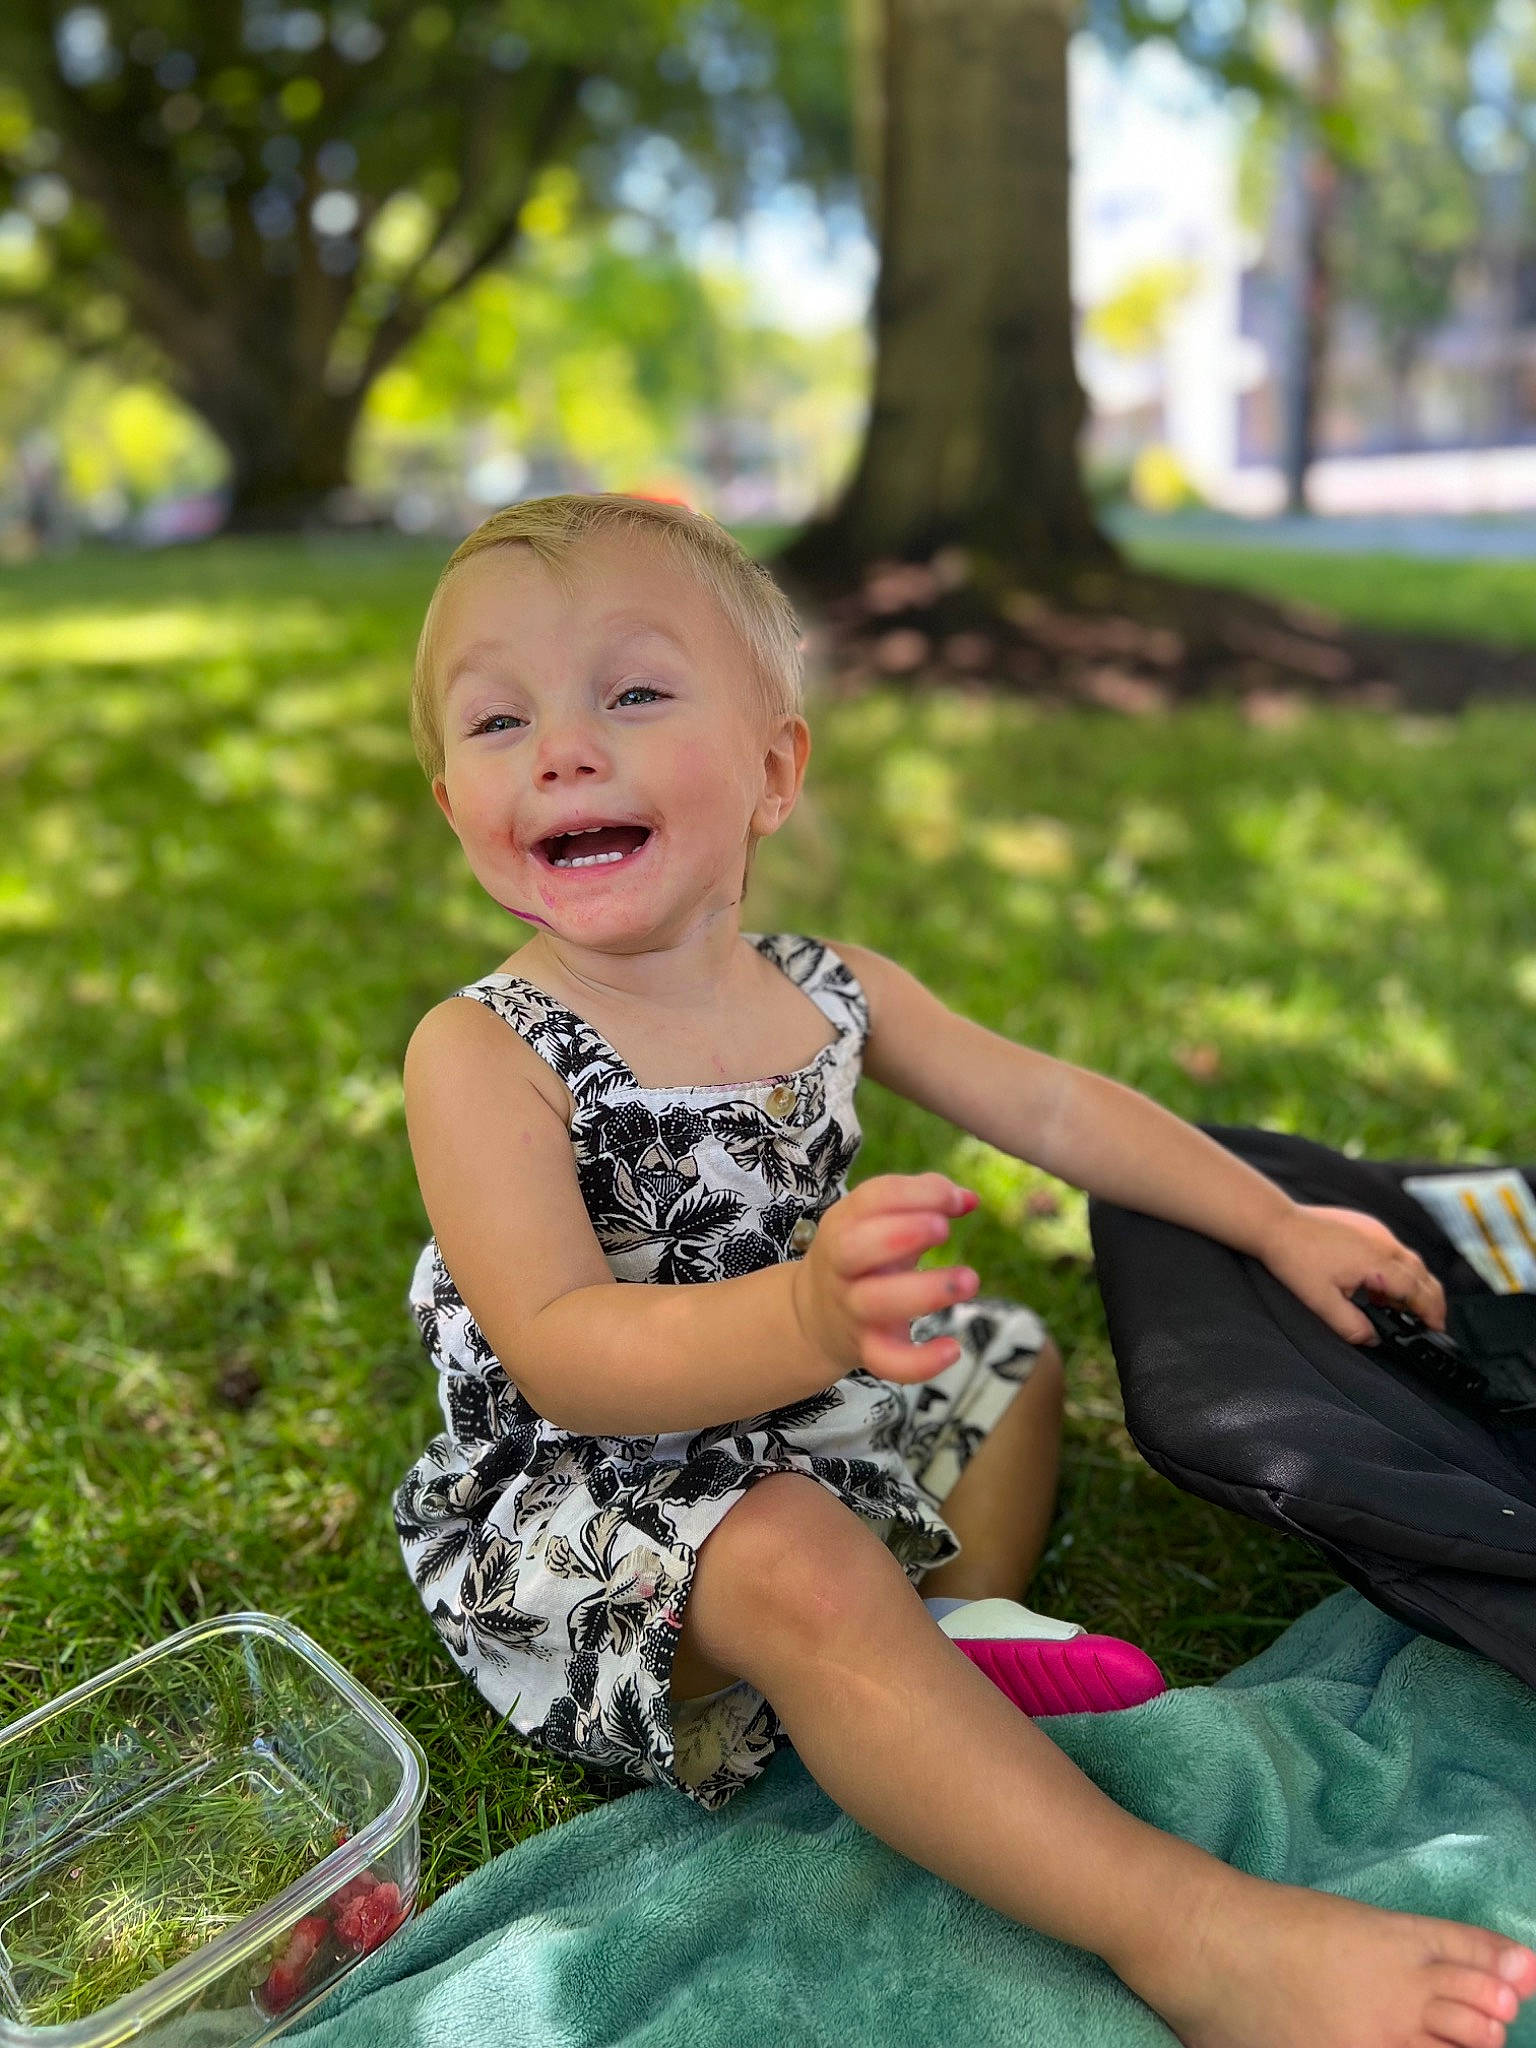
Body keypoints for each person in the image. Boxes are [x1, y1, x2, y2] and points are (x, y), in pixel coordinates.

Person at [393, 492, 1536, 2048]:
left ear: (774, 770)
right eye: (498, 718)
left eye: (637, 692)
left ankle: (946, 1646)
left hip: (793, 1418)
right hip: (587, 1506)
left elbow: (1058, 1105)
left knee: (1011, 1359)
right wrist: (806, 1313)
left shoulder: (833, 991)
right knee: (796, 1553)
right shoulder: (481, 1052)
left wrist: (1274, 1219)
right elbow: (562, 1351)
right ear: (458, 804)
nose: (564, 749)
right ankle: (1186, 1930)